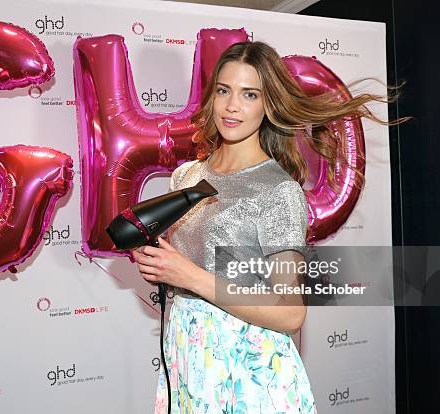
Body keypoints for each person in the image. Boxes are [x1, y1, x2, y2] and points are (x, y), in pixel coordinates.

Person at [131, 40, 405, 413]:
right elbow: (192, 267)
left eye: (249, 94)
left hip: (247, 371)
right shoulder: (185, 177)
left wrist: (191, 276)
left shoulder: (278, 192)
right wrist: (161, 266)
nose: (232, 106)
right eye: (224, 91)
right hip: (187, 357)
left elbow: (290, 312)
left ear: (268, 104)